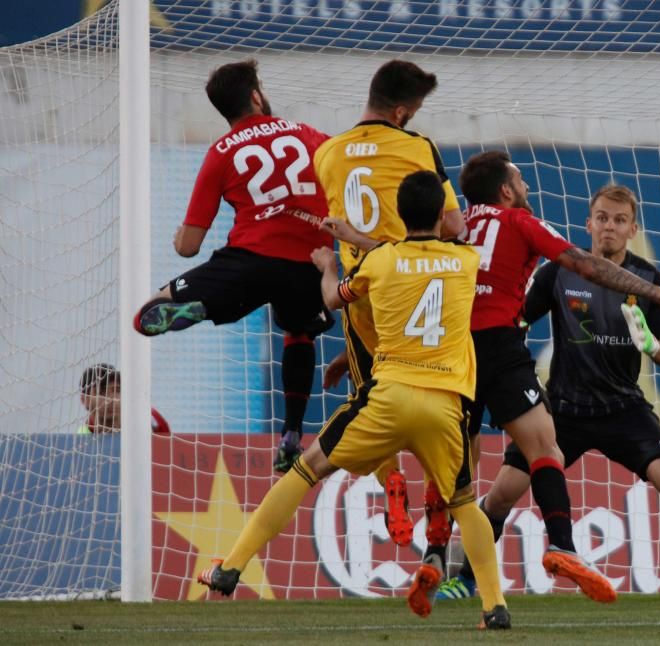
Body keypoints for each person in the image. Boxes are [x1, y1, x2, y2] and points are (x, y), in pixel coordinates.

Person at [381, 151, 660, 603]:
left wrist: (652, 345)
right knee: (499, 496)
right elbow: (519, 319)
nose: (610, 226)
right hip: (565, 408)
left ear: (633, 229)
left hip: (622, 406)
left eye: (620, 220)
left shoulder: (645, 276)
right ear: (589, 224)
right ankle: (466, 576)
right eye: (602, 218)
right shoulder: (556, 269)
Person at [198, 171, 511, 630]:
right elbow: (452, 234)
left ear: (400, 214)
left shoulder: (380, 260)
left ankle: (230, 569)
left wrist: (329, 264)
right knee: (464, 502)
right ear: (440, 216)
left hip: (389, 395)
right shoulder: (465, 259)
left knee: (306, 469)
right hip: (445, 403)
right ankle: (495, 608)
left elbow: (333, 299)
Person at [132, 60, 333, 471]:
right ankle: (292, 431)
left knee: (146, 313)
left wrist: (177, 236)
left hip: (249, 260)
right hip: (308, 263)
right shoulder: (309, 135)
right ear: (256, 96)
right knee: (299, 331)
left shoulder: (221, 152)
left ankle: (199, 306)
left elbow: (188, 246)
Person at [312, 59, 464, 548]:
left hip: (361, 299)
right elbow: (454, 226)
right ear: (401, 111)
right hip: (415, 293)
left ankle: (390, 481)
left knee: (371, 400)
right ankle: (441, 501)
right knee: (437, 400)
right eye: (415, 110)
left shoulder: (328, 154)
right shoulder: (418, 147)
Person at [77, 363, 170, 435]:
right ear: (84, 399)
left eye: (117, 390)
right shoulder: (82, 438)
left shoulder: (150, 419)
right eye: (101, 392)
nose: (111, 399)